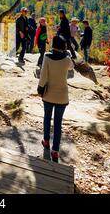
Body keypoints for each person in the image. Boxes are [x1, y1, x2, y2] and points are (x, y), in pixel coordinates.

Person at [38, 35, 74, 163]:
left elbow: (43, 77)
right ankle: (55, 151)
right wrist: (68, 53)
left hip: (48, 94)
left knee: (47, 118)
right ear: (64, 47)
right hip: (62, 96)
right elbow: (72, 67)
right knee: (58, 123)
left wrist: (40, 89)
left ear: (53, 45)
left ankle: (46, 141)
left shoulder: (47, 57)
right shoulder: (67, 60)